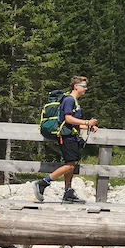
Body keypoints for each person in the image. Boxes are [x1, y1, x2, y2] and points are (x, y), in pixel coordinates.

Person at [33, 76, 98, 204]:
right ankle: (43, 183)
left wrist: (88, 126)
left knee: (71, 164)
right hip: (66, 136)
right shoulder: (69, 100)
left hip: (71, 135)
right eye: (83, 86)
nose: (86, 89)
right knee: (69, 165)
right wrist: (87, 122)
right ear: (76, 86)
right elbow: (68, 119)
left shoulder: (73, 100)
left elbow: (73, 123)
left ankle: (68, 191)